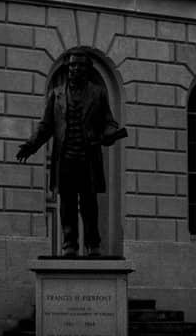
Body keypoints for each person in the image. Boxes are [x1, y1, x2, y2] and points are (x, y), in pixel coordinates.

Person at [16, 50, 127, 258]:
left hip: (88, 157)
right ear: (68, 69)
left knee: (89, 203)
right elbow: (46, 126)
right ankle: (69, 245)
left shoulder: (98, 93)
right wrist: (31, 146)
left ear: (88, 69)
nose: (76, 69)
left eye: (80, 65)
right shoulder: (56, 94)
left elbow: (109, 121)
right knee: (66, 204)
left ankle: (93, 244)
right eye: (72, 65)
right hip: (65, 158)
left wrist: (109, 133)